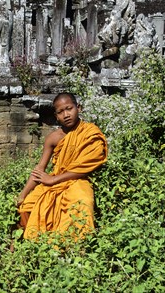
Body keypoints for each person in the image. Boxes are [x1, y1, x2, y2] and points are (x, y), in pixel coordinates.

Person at [16, 92, 107, 241]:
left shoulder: (90, 133)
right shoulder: (53, 138)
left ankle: (76, 249)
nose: (66, 114)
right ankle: (30, 247)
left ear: (78, 108)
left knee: (83, 202)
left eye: (69, 109)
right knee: (26, 206)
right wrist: (22, 195)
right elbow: (40, 169)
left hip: (78, 180)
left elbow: (89, 165)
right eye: (60, 112)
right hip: (52, 181)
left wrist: (54, 179)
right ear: (56, 116)